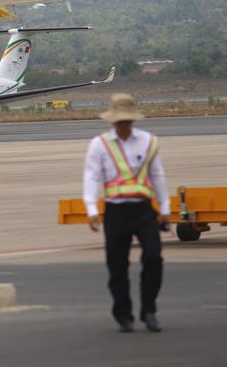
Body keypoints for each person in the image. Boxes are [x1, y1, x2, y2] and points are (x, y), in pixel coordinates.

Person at [83, 93, 170, 333]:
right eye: (120, 120)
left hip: (143, 211)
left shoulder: (148, 141)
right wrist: (91, 208)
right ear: (113, 120)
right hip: (115, 212)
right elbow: (92, 176)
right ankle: (123, 314)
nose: (123, 124)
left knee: (153, 257)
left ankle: (149, 310)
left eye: (127, 120)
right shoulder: (99, 144)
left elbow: (157, 175)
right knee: (117, 266)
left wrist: (164, 208)